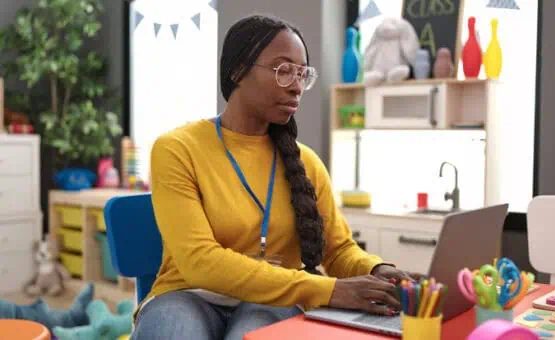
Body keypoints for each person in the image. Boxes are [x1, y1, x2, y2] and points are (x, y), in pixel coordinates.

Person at [131, 14, 418, 340]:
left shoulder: (306, 162)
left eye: (302, 74)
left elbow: (337, 251)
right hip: (187, 293)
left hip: (279, 299)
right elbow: (199, 261)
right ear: (238, 71)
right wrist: (330, 289)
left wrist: (377, 270)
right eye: (284, 71)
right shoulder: (177, 149)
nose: (297, 85)